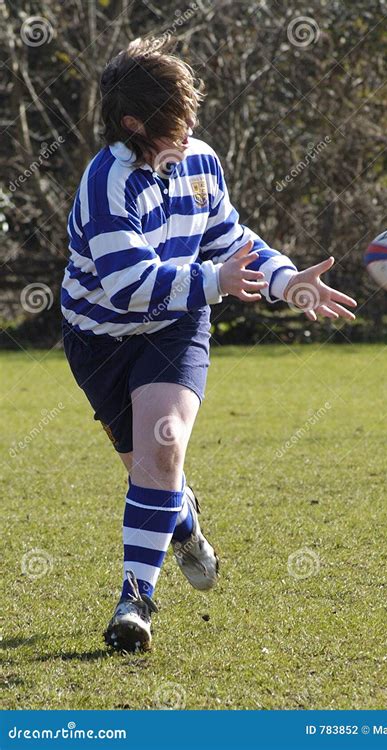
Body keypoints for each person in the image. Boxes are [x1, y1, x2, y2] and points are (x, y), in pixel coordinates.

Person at [61, 36, 357, 652]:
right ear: (134, 122)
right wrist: (213, 281)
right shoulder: (107, 182)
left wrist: (284, 281)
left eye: (192, 108)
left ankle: (134, 601)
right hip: (101, 340)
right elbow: (126, 286)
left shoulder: (199, 160)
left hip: (176, 325)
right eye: (178, 114)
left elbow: (230, 239)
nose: (192, 123)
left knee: (162, 445)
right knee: (153, 471)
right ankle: (185, 521)